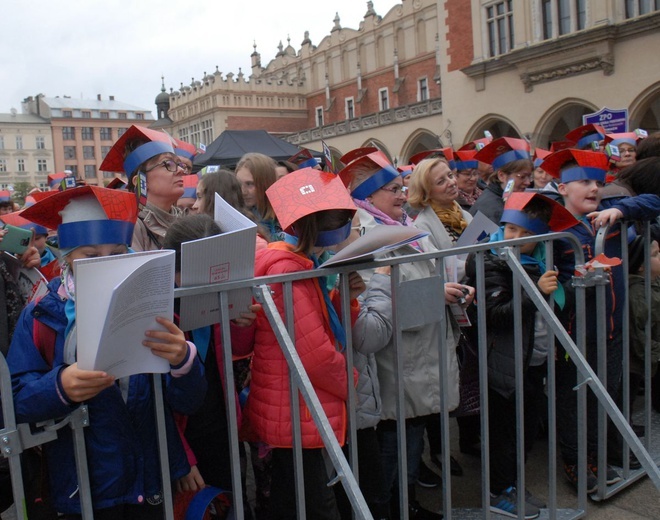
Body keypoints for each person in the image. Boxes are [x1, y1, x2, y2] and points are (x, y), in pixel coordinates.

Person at [7, 186, 206, 519]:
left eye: (116, 252)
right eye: (90, 255)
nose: (106, 264)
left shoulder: (151, 307)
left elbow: (188, 401)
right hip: (82, 488)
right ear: (67, 257)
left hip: (148, 481)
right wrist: (59, 387)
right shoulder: (43, 314)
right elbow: (14, 398)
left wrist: (183, 360)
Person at [340, 149, 469, 520]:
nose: (402, 194)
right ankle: (394, 509)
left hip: (419, 352)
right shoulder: (363, 234)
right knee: (393, 445)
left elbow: (427, 276)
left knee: (409, 440)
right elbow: (368, 295)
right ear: (368, 196)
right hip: (396, 358)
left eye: (402, 187)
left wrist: (452, 291)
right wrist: (435, 293)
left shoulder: (406, 226)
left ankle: (406, 504)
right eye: (393, 189)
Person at [244, 167, 361, 520]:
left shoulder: (300, 263)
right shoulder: (288, 272)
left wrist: (347, 298)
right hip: (295, 406)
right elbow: (316, 356)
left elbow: (321, 328)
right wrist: (351, 381)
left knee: (296, 498)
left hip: (294, 405)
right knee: (314, 504)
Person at [540, 148, 660, 491]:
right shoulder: (553, 225)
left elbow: (653, 201)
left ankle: (597, 455)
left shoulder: (609, 213)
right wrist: (568, 280)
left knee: (604, 396)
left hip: (612, 328)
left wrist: (622, 208)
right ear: (562, 188)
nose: (593, 188)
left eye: (597, 181)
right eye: (583, 182)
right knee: (573, 401)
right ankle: (576, 463)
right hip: (576, 332)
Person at [464, 192, 577, 519]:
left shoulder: (540, 260)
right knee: (504, 433)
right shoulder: (489, 261)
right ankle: (498, 491)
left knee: (525, 430)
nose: (516, 238)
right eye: (511, 229)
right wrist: (535, 292)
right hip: (503, 366)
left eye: (527, 234)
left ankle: (512, 483)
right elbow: (496, 313)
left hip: (532, 362)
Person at [162, 214, 260, 515]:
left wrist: (241, 324)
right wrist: (183, 458)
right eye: (195, 272)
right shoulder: (162, 313)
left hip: (221, 426)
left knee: (232, 503)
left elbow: (234, 354)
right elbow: (155, 401)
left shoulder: (217, 295)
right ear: (173, 270)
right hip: (184, 437)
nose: (206, 281)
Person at [407, 155, 477, 479]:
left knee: (459, 382)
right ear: (426, 191)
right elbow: (431, 272)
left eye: (450, 175)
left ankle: (456, 442)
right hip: (441, 313)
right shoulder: (421, 225)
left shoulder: (464, 214)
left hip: (465, 305)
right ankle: (437, 451)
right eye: (441, 180)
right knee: (437, 387)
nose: (451, 182)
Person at [99, 125, 186, 252]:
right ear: (140, 181)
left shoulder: (186, 220)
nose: (181, 170)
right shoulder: (130, 227)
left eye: (179, 164)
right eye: (168, 164)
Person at [626, 236, 660, 425]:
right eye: (655, 255)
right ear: (640, 266)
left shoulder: (652, 282)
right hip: (635, 358)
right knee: (627, 395)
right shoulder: (637, 294)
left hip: (648, 352)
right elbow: (638, 334)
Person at [470, 137, 534, 224]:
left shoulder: (508, 199)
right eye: (522, 177)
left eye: (529, 176)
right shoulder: (490, 208)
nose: (528, 182)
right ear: (502, 176)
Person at [235, 152, 281, 240]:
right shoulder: (237, 219)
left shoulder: (287, 218)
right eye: (239, 184)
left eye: (250, 184)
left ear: (266, 183)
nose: (243, 191)